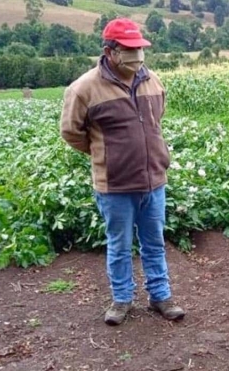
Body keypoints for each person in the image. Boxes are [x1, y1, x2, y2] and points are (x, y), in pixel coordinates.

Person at [59, 18, 185, 326]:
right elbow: (70, 131)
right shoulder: (84, 89)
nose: (137, 55)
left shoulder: (152, 80)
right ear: (109, 51)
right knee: (119, 245)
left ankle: (160, 296)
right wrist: (103, 152)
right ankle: (122, 299)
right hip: (114, 185)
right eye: (129, 49)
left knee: (154, 242)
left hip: (153, 180)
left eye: (139, 48)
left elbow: (156, 120)